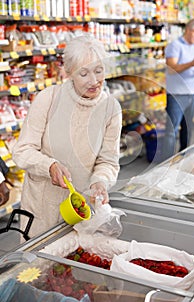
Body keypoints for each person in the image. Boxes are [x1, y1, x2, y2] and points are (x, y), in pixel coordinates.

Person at [12, 35, 122, 238]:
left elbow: (108, 160)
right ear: (69, 73)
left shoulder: (110, 109)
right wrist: (49, 166)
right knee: (37, 266)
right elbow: (22, 150)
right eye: (84, 74)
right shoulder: (48, 98)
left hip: (81, 210)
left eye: (99, 71)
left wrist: (100, 181)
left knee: (74, 262)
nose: (94, 81)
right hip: (41, 208)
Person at [164, 18, 194, 158]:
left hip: (192, 93)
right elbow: (172, 69)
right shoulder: (174, 46)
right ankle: (167, 160)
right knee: (172, 130)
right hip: (176, 94)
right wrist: (192, 63)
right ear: (188, 30)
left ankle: (184, 157)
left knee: (188, 128)